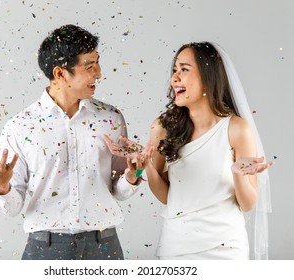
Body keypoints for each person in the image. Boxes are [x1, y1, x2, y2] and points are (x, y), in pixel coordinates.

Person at [0, 24, 149, 260]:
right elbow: (13, 208)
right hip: (44, 249)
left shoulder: (111, 119)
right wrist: (1, 187)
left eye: (97, 63)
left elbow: (119, 191)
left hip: (104, 247)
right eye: (89, 66)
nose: (99, 73)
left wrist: (132, 175)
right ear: (60, 73)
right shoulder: (20, 126)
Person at [104, 41, 273, 260]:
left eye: (184, 70)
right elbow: (167, 197)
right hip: (177, 247)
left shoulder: (237, 129)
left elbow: (248, 203)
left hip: (226, 249)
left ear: (208, 76)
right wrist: (145, 168)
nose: (175, 78)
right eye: (175, 70)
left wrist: (239, 174)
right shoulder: (162, 128)